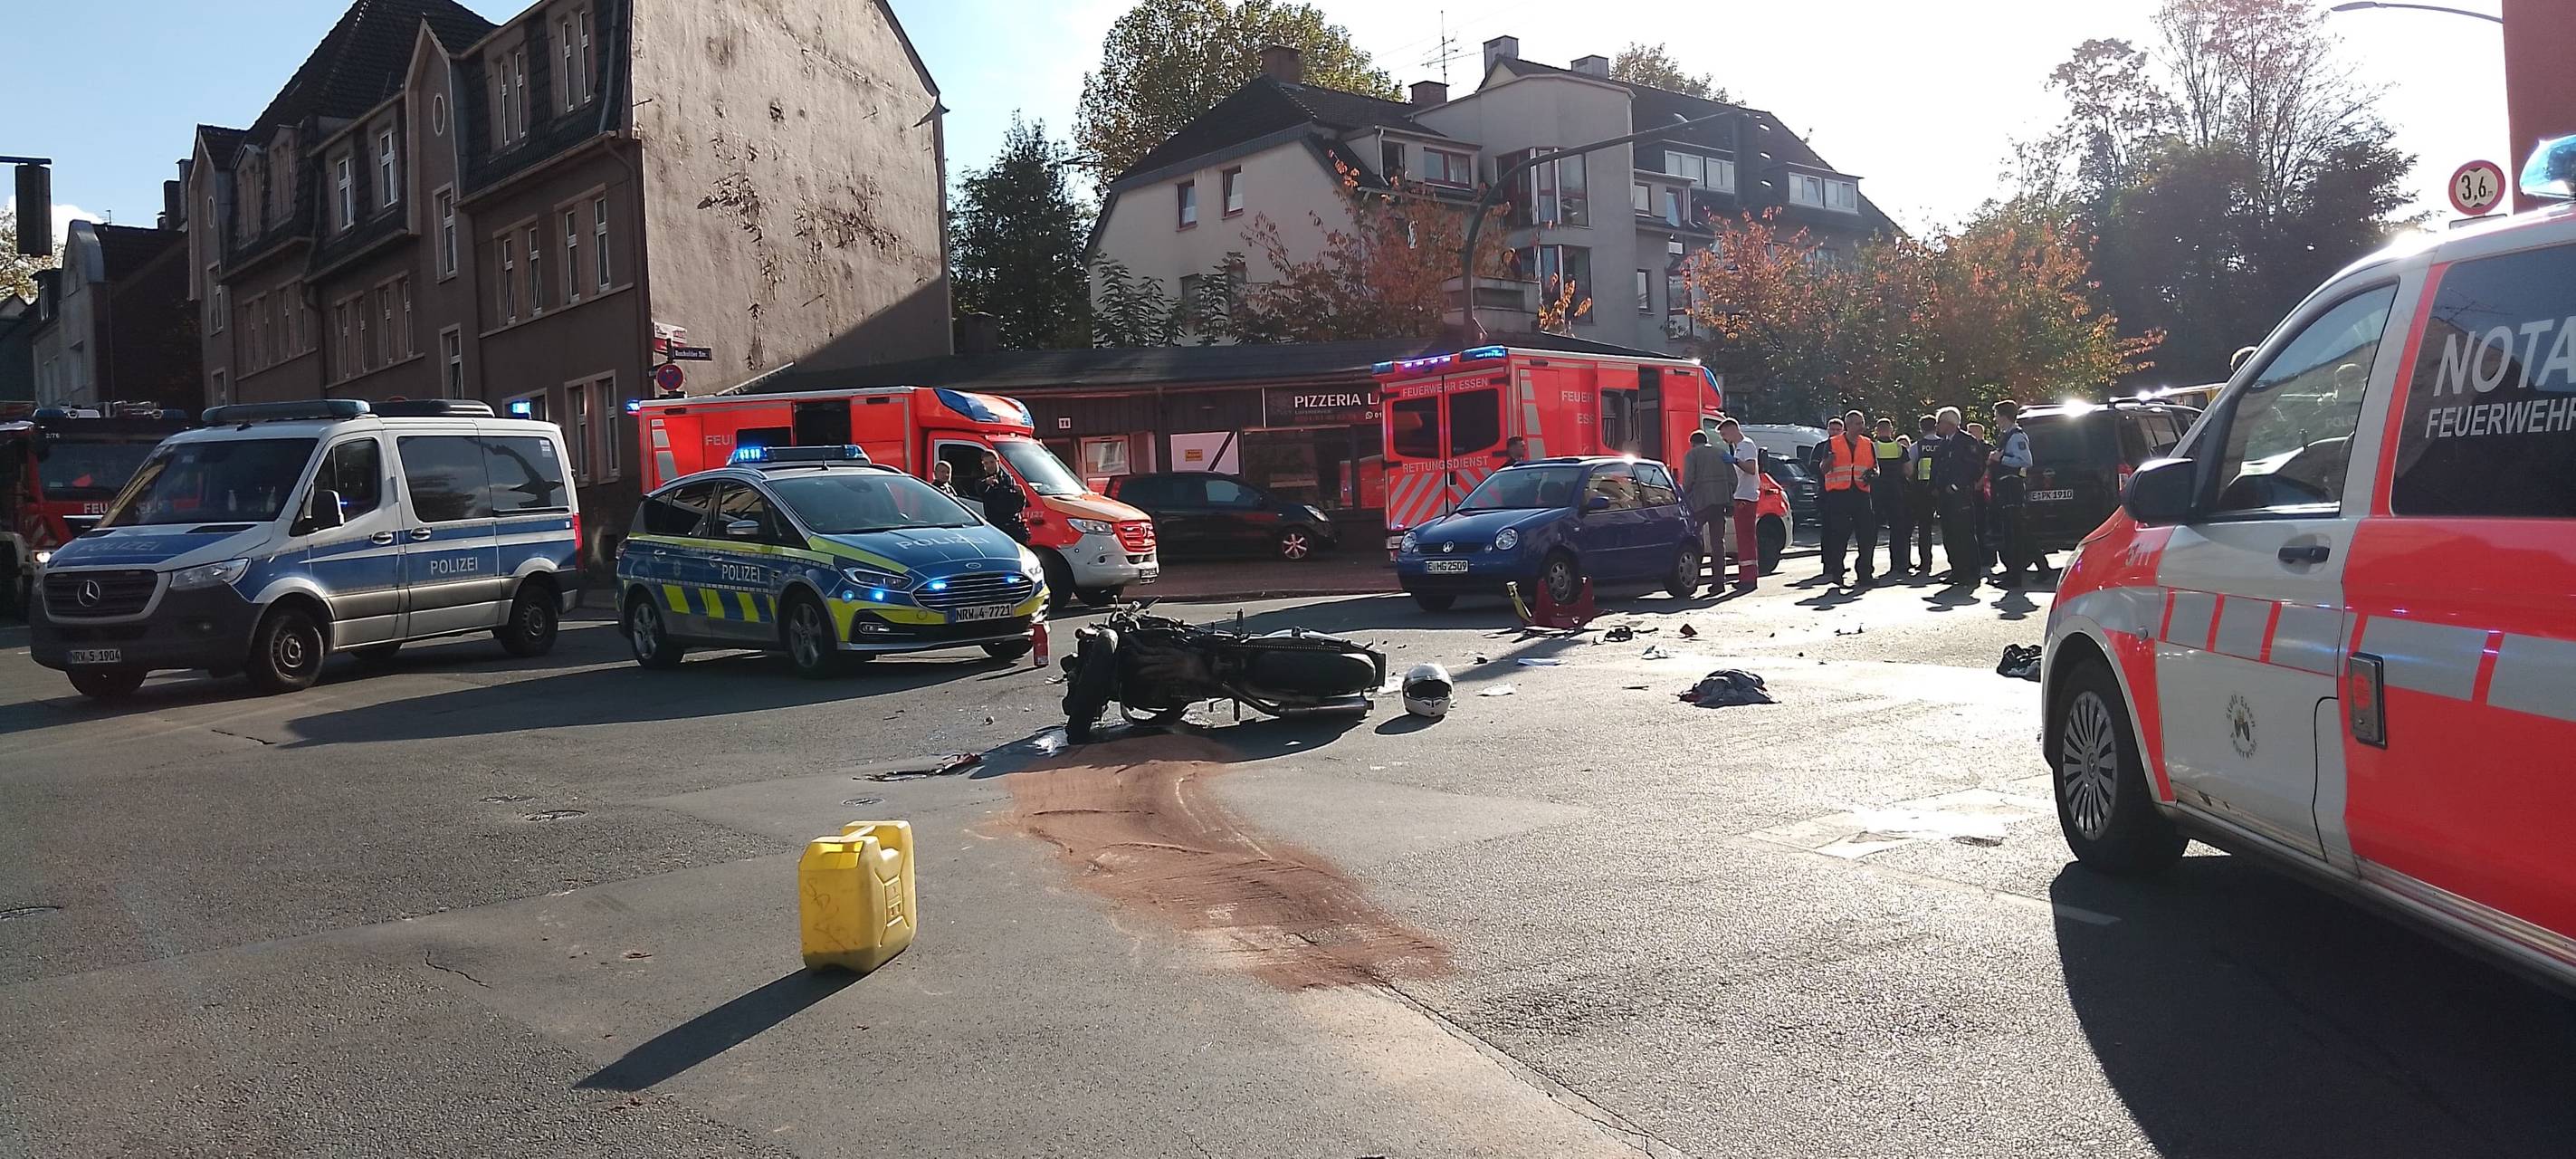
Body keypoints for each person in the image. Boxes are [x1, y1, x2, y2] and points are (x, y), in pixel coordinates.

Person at [1817, 407, 1878, 587]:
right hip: (1839, 495)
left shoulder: (1868, 444)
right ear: (1848, 425)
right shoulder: (1833, 443)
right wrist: (1829, 460)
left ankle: (1865, 574)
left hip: (1861, 493)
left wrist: (1873, 474)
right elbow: (1823, 469)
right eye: (1858, 423)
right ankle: (1837, 573)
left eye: (1862, 423)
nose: (1862, 427)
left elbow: (1876, 466)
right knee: (1839, 535)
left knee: (1867, 536)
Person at [1931, 407, 1989, 585]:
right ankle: (1957, 570)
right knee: (1949, 534)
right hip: (1945, 498)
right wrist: (1934, 487)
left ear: (1949, 423)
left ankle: (1971, 573)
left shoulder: (1967, 441)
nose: (1937, 426)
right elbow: (1938, 467)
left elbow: (1972, 468)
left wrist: (1956, 486)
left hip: (1961, 496)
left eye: (1939, 422)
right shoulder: (1944, 443)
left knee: (1964, 534)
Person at [1987, 398, 2041, 587]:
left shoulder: (2016, 436)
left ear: (2004, 417)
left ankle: (2014, 576)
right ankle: (2042, 568)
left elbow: (2025, 460)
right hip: (2005, 487)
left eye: (1997, 416)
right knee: (2018, 531)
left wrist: (2001, 459)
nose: (1995, 419)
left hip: (2012, 487)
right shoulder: (2005, 435)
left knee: (2014, 533)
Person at [1680, 429, 1733, 593]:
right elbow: (1733, 479)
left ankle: (1692, 580)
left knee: (1693, 540)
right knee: (1718, 544)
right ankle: (1719, 582)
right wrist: (1729, 499)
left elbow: (1688, 479)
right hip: (1719, 503)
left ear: (1693, 443)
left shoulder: (1692, 455)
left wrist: (1684, 496)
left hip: (1700, 504)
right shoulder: (1721, 453)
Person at [1720, 417, 1762, 590]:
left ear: (1732, 429)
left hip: (1746, 496)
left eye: (1724, 434)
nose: (1723, 438)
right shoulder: (1740, 447)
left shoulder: (1746, 445)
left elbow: (1751, 469)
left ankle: (1748, 578)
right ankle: (1745, 576)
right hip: (1741, 495)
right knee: (1743, 538)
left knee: (1746, 538)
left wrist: (1735, 461)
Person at [1869, 417, 1913, 578]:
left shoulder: (1872, 447)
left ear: (1876, 430)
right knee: (1898, 530)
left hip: (1876, 492)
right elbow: (1908, 471)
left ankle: (1868, 566)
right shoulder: (1900, 448)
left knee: (1871, 531)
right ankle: (1899, 564)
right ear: (1891, 430)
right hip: (1895, 491)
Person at [1905, 414, 1940, 574]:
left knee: (1924, 529)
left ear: (1921, 429)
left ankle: (1926, 563)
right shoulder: (1945, 444)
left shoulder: (1916, 446)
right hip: (1943, 491)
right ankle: (1957, 562)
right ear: (1936, 426)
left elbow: (1909, 469)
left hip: (1922, 491)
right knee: (1951, 528)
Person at [977, 449, 1030, 543]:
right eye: (986, 463)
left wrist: (1021, 495)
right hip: (996, 526)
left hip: (1013, 525)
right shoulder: (982, 481)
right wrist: (986, 483)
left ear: (998, 462)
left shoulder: (1008, 479)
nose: (989, 466)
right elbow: (979, 488)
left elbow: (1019, 507)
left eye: (992, 462)